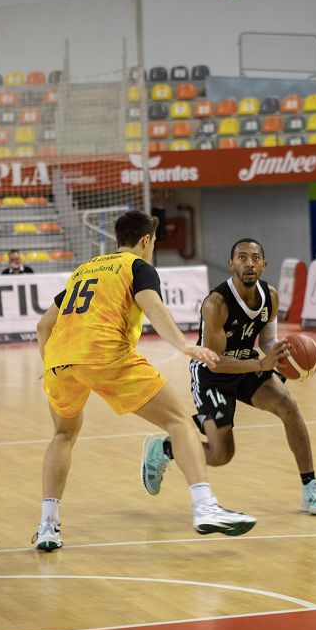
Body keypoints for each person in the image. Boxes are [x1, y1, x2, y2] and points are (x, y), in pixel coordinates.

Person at [32, 210, 256, 551]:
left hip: (61, 361)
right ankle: (204, 506)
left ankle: (48, 526)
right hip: (106, 354)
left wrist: (50, 363)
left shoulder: (85, 269)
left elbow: (44, 326)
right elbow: (151, 306)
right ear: (146, 241)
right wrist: (183, 344)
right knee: (179, 421)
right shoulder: (138, 267)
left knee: (63, 435)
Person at [140, 238, 316, 515]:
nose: (249, 263)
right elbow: (215, 362)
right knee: (221, 455)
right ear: (231, 264)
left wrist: (283, 358)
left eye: (255, 258)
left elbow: (268, 342)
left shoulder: (271, 297)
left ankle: (310, 487)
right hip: (211, 374)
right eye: (242, 258)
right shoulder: (216, 304)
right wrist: (261, 364)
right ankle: (166, 448)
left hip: (249, 364)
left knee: (289, 407)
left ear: (264, 264)